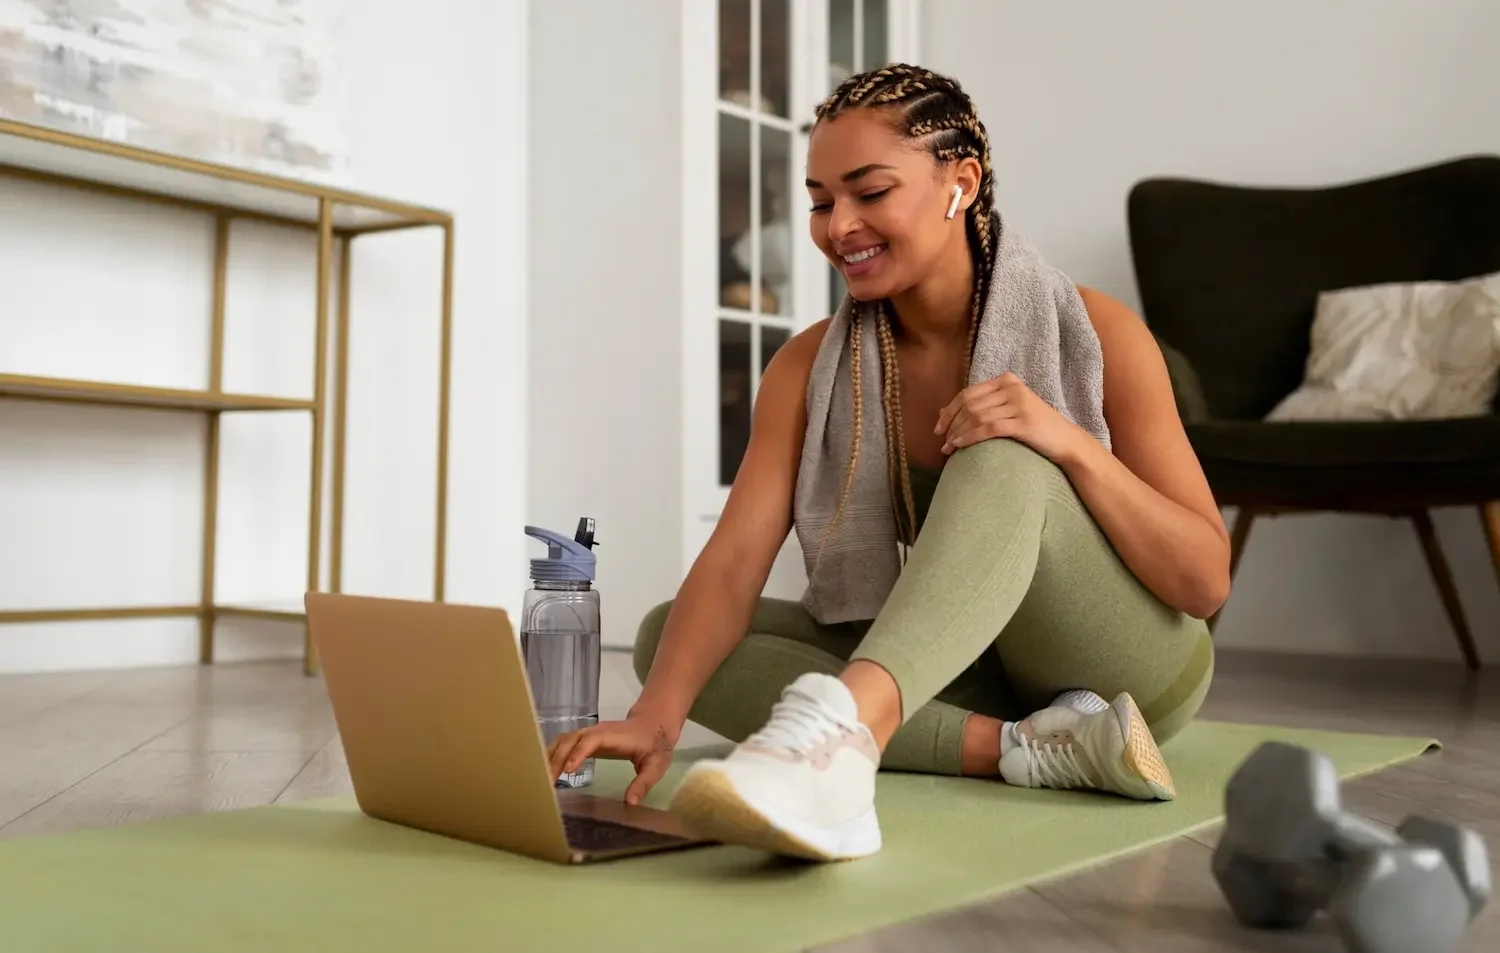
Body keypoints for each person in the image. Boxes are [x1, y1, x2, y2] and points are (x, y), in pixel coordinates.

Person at [546, 64, 1229, 863]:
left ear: (960, 183)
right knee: (673, 639)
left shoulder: (1099, 330)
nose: (839, 226)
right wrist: (657, 718)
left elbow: (1204, 579)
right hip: (978, 668)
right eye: (820, 200)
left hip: (1126, 667)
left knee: (1001, 454)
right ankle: (1025, 745)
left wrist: (1062, 439)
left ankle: (839, 748)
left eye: (869, 193)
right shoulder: (809, 368)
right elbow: (735, 561)